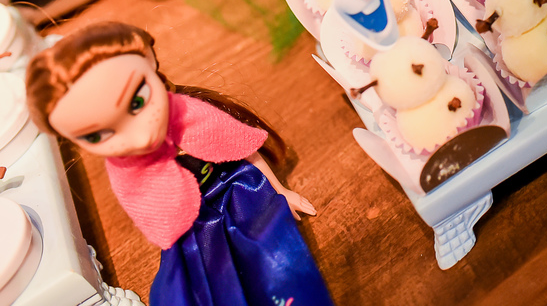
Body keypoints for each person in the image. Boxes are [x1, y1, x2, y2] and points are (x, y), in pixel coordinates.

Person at [25, 22, 335, 306]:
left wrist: (280, 192)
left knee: (273, 263)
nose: (139, 136)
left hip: (236, 188)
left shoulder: (189, 114)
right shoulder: (123, 170)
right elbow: (156, 217)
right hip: (190, 228)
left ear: (150, 60)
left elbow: (242, 148)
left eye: (137, 102)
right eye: (96, 136)